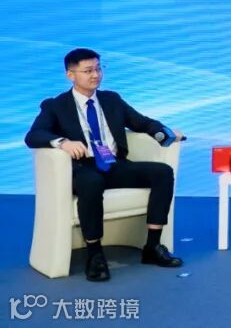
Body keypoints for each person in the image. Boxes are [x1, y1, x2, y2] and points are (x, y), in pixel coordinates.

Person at [24, 48, 184, 281]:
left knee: (162, 173)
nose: (96, 75)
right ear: (70, 74)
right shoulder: (56, 105)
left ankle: (152, 246)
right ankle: (95, 254)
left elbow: (141, 122)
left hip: (114, 163)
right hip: (83, 168)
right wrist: (63, 142)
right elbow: (34, 135)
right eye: (88, 70)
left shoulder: (111, 100)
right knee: (92, 182)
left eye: (99, 68)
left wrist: (165, 133)